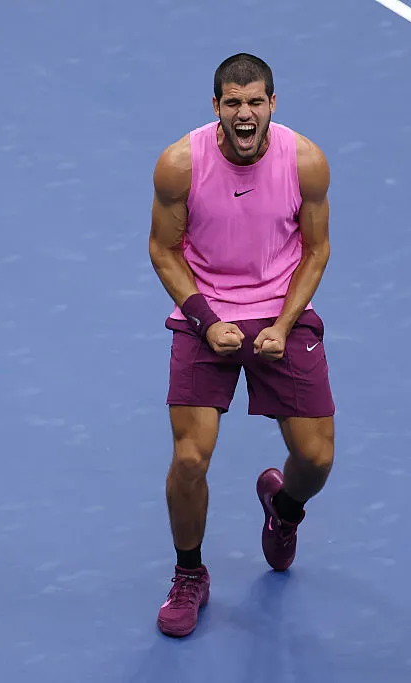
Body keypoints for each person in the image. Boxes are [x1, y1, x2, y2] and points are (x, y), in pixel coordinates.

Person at [147, 53, 337, 638]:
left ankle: (282, 511)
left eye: (256, 101)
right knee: (188, 458)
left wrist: (283, 324)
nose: (245, 113)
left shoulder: (305, 161)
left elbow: (316, 250)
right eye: (233, 103)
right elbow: (163, 250)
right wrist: (205, 321)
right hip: (208, 316)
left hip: (281, 311)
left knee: (316, 459)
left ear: (273, 105)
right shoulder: (180, 164)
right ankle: (190, 574)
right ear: (216, 108)